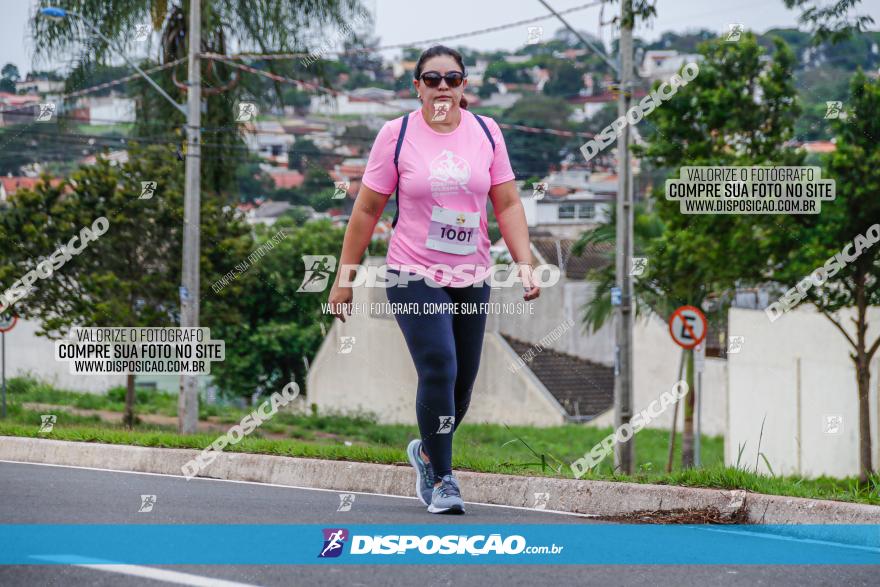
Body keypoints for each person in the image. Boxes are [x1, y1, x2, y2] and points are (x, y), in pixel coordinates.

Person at [329, 45, 539, 514]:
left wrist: (525, 262)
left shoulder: (487, 132)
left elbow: (506, 204)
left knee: (462, 384)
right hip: (411, 271)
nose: (442, 86)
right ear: (417, 87)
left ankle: (426, 452)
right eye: (432, 78)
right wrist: (344, 278)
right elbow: (366, 210)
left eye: (452, 77)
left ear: (465, 85)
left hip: (471, 271)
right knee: (439, 365)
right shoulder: (396, 134)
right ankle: (444, 480)